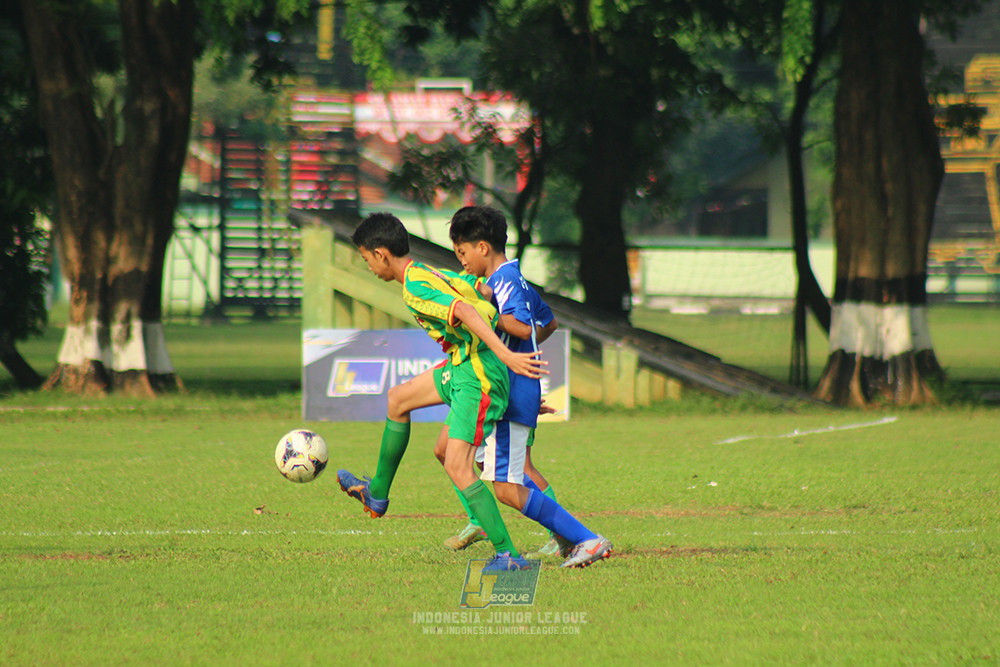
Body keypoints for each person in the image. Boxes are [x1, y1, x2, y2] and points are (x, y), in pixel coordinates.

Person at [336, 211, 545, 572]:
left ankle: (508, 553)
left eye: (367, 258)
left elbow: (462, 308)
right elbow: (469, 289)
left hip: (475, 372)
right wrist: (485, 293)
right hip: (461, 364)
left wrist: (507, 353)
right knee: (399, 399)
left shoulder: (416, 286)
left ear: (382, 254)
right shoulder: (422, 272)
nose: (368, 266)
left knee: (458, 463)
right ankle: (378, 493)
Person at [437, 205, 613, 569]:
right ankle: (564, 536)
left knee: (506, 486)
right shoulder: (511, 279)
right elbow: (546, 323)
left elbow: (522, 326)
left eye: (463, 252)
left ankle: (584, 538)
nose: (462, 261)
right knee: (461, 457)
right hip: (507, 387)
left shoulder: (503, 282)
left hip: (509, 390)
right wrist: (524, 357)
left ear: (483, 247)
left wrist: (481, 312)